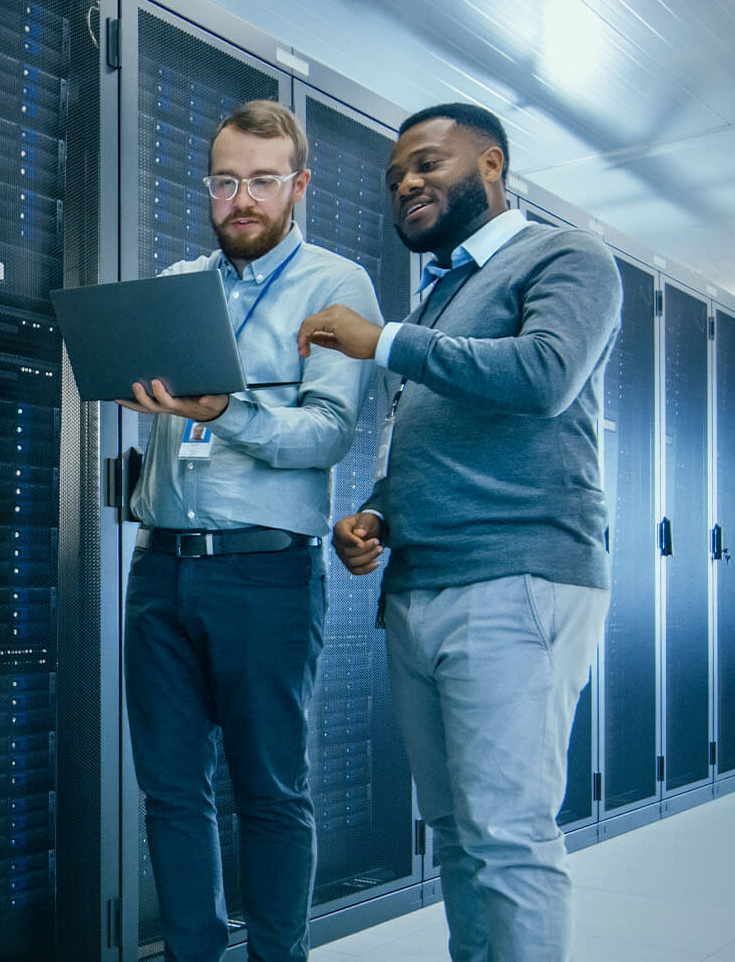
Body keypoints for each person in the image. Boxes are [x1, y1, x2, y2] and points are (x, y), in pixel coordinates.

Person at [295, 102, 622, 962]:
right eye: (395, 176)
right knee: (455, 832)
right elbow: (426, 440)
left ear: (491, 165)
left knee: (507, 835)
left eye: (427, 164)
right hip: (421, 585)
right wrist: (377, 514)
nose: (406, 183)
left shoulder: (566, 256)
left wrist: (386, 341)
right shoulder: (440, 294)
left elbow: (545, 374)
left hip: (515, 576)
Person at [118, 99, 380, 962]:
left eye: (263, 182)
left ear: (298, 186)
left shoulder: (336, 286)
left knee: (269, 791)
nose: (242, 200)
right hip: (160, 568)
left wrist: (224, 410)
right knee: (169, 791)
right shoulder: (176, 284)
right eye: (225, 182)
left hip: (265, 574)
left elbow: (328, 434)